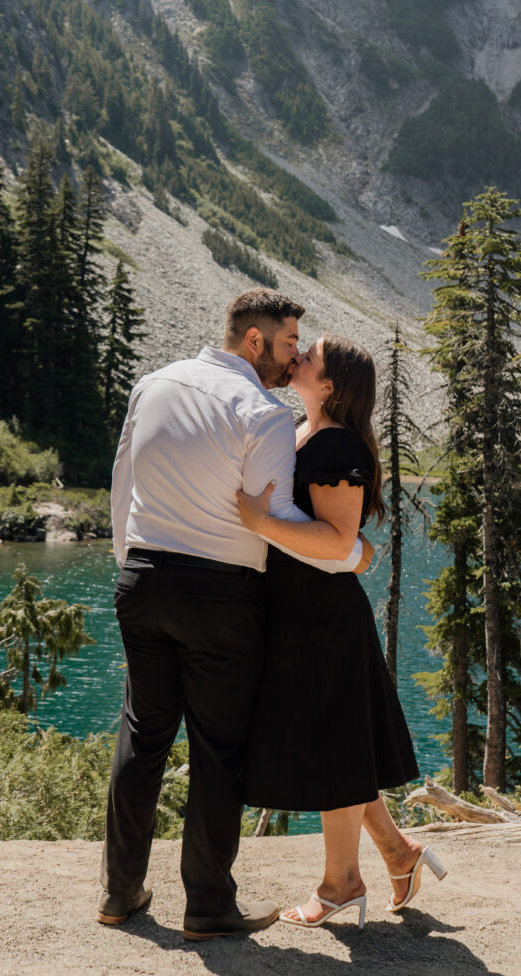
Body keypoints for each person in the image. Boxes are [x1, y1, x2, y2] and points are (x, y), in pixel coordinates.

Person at [98, 290, 372, 940]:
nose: (292, 359)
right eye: (286, 345)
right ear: (255, 341)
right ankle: (208, 908)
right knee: (218, 749)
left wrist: (130, 565)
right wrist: (352, 554)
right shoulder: (265, 414)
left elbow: (121, 483)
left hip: (140, 579)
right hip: (220, 596)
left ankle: (119, 892)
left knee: (141, 735)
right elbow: (276, 521)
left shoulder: (153, 383)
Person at [238, 334, 446, 927]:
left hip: (322, 620)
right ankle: (397, 850)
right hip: (306, 616)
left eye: (312, 356)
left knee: (334, 750)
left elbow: (337, 540)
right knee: (344, 745)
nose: (298, 357)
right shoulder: (307, 434)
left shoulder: (335, 446)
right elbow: (348, 547)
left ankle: (340, 886)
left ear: (328, 385)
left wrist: (256, 520)